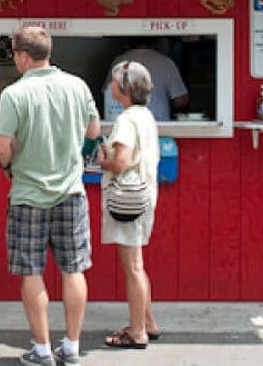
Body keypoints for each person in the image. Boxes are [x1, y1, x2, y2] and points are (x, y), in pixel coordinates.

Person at [0, 25, 101, 366]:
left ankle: (41, 351)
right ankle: (71, 346)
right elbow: (94, 132)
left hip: (27, 194)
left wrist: (7, 164)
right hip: (71, 191)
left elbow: (0, 147)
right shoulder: (77, 85)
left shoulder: (14, 94)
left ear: (22, 56)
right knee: (73, 270)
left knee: (32, 271)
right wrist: (75, 155)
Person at [98, 61, 161, 350]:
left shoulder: (125, 120)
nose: (110, 85)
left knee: (133, 266)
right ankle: (147, 321)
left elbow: (121, 163)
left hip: (127, 198)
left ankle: (137, 332)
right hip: (144, 194)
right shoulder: (145, 116)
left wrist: (102, 161)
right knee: (138, 263)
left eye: (113, 81)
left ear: (124, 88)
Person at [108, 41, 188, 122]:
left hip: (127, 121)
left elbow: (108, 94)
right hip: (159, 123)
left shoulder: (118, 62)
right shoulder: (166, 62)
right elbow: (180, 100)